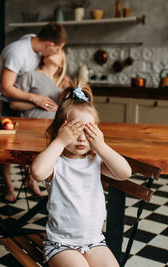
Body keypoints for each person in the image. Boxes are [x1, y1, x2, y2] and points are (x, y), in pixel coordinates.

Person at [30, 81, 132, 266]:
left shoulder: (96, 161)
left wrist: (100, 145)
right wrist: (60, 142)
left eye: (88, 130)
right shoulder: (56, 162)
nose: (82, 137)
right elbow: (37, 172)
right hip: (61, 244)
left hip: (94, 241)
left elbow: (124, 173)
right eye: (75, 130)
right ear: (60, 130)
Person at [0, 22, 68, 203]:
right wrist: (36, 98)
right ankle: (8, 184)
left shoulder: (34, 43)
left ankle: (29, 181)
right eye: (57, 50)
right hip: (0, 103)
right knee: (5, 149)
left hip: (19, 101)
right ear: (49, 45)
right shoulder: (17, 52)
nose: (58, 54)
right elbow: (7, 88)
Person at [10, 49, 67, 119]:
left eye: (58, 52)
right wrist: (37, 103)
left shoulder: (63, 84)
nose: (54, 51)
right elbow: (13, 105)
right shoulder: (31, 76)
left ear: (61, 64)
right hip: (32, 124)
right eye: (53, 50)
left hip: (55, 126)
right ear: (44, 58)